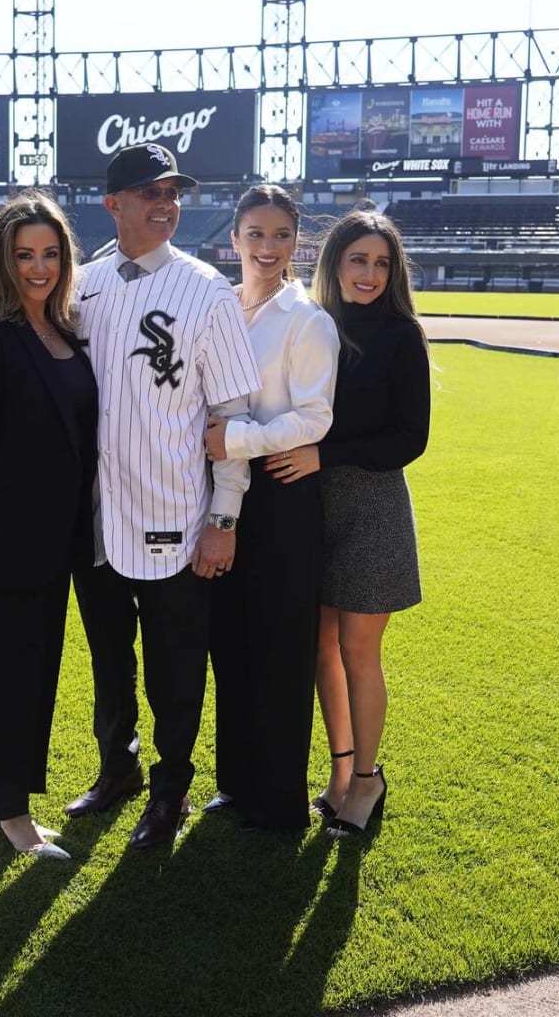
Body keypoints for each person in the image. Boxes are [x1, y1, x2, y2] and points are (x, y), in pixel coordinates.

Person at [65, 143, 261, 850]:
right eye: (150, 192)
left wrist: (224, 519)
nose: (166, 203)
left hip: (177, 518)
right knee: (108, 661)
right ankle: (116, 769)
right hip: (94, 520)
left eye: (173, 191)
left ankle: (170, 790)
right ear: (113, 203)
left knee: (175, 670)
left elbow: (233, 415)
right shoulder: (79, 285)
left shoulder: (206, 290)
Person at [0, 191, 97, 861]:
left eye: (51, 254)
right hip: (2, 544)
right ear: (3, 260)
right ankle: (10, 811)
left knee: (38, 677)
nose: (39, 267)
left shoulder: (65, 329)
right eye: (24, 254)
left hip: (58, 542)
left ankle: (3, 793)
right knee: (9, 680)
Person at [270, 207, 430, 841]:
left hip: (371, 507)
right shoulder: (315, 326)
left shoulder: (400, 334)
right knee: (321, 650)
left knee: (359, 652)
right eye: (358, 259)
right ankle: (339, 771)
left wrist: (321, 455)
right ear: (334, 262)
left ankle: (368, 779)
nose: (369, 273)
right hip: (310, 506)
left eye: (381, 263)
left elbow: (408, 439)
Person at [201, 184, 339, 830]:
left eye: (280, 235)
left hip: (283, 499)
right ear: (233, 240)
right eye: (255, 234)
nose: (267, 247)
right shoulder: (220, 309)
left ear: (296, 243)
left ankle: (281, 799)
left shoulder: (307, 319)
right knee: (231, 645)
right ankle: (236, 784)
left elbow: (313, 418)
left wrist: (239, 440)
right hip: (226, 496)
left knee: (282, 650)